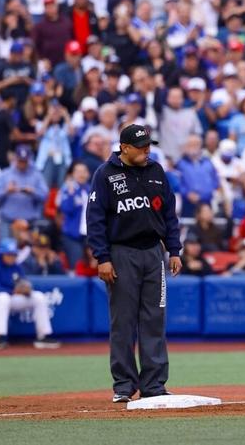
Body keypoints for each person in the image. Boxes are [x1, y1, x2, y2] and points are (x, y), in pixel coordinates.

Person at [87, 124, 182, 403]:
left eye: (148, 145)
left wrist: (174, 250)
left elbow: (169, 214)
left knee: (154, 320)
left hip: (153, 253)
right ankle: (124, 385)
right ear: (124, 148)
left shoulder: (156, 171)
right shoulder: (105, 174)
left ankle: (153, 385)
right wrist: (102, 258)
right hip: (121, 253)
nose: (146, 151)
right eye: (140, 146)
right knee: (123, 322)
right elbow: (95, 220)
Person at [0, 239, 60, 349]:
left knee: (38, 297)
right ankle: (0, 338)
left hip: (9, 298)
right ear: (2, 254)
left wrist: (26, 290)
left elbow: (23, 282)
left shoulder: (16, 266)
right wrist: (14, 292)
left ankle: (44, 336)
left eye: (13, 254)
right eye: (9, 254)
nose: (11, 257)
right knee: (3, 297)